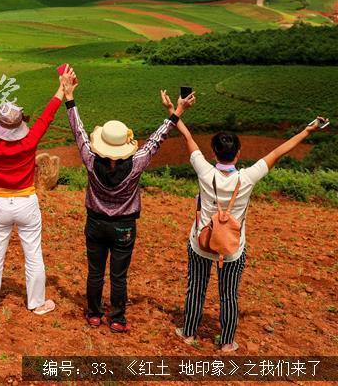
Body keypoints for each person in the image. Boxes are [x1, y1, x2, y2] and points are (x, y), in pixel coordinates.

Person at [174, 114, 326, 352]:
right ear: (238, 153)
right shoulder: (248, 177)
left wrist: (175, 112)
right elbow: (278, 152)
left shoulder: (204, 171)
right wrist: (307, 131)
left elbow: (188, 138)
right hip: (233, 248)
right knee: (229, 294)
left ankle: (189, 333)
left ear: (213, 153)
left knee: (196, 288)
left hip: (200, 244)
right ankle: (226, 342)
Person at [61, 69, 194, 333]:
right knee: (118, 275)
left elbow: (79, 132)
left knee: (95, 271)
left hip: (96, 222)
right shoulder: (136, 164)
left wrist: (69, 99)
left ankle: (94, 314)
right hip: (124, 226)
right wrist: (177, 111)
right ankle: (118, 318)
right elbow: (157, 139)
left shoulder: (90, 159)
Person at [0, 60, 60, 315]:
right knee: (33, 253)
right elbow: (47, 117)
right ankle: (37, 303)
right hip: (27, 201)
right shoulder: (29, 141)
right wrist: (62, 90)